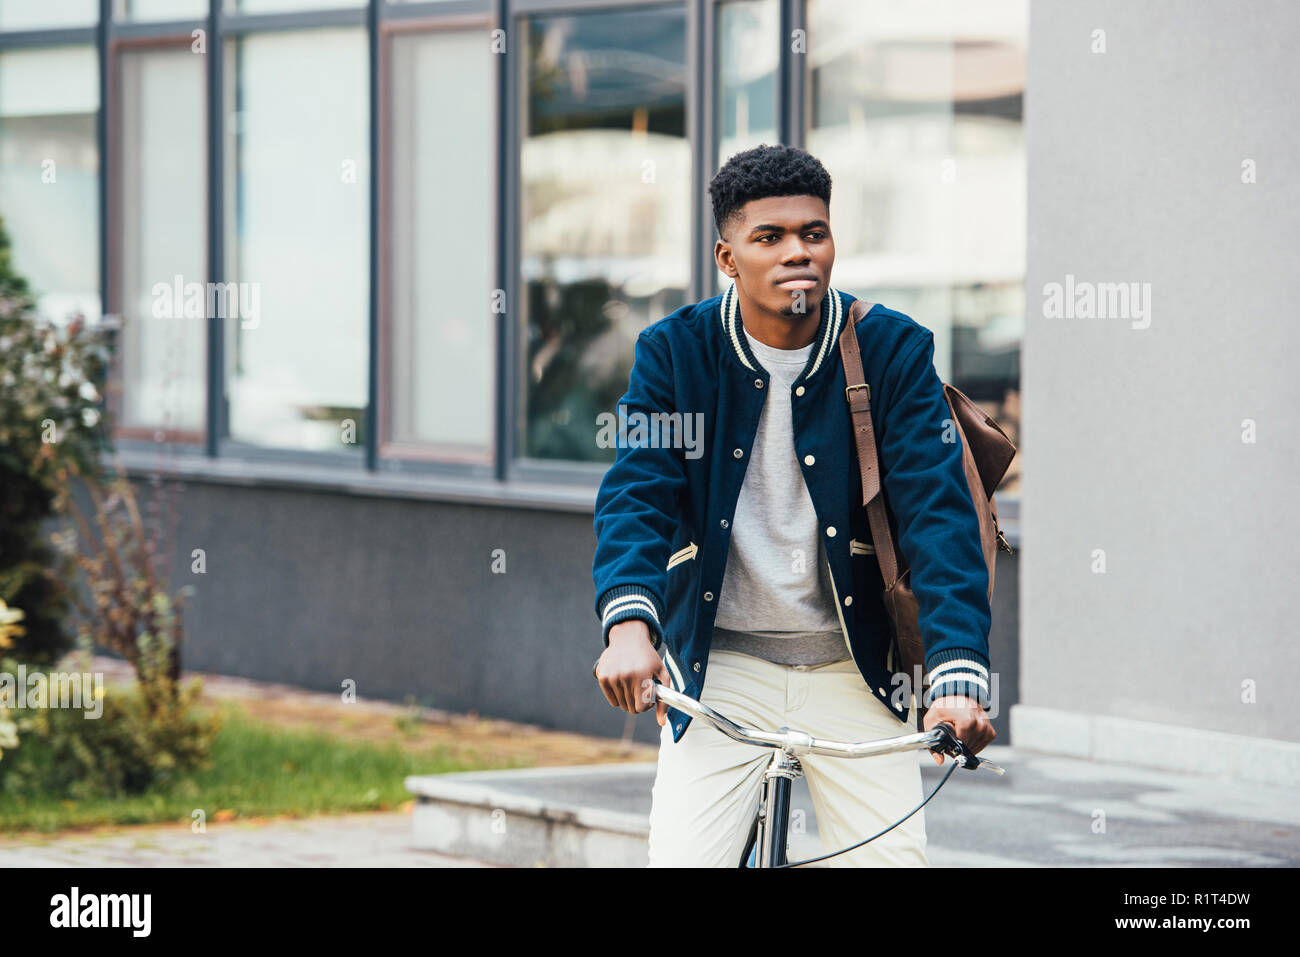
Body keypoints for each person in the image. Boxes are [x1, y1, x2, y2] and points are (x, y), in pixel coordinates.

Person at [591, 144, 995, 867]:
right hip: (722, 668)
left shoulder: (892, 350)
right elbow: (636, 491)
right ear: (727, 255)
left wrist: (957, 674)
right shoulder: (673, 354)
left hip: (858, 665)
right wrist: (628, 624)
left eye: (813, 233)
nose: (796, 253)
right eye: (769, 237)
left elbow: (939, 516)